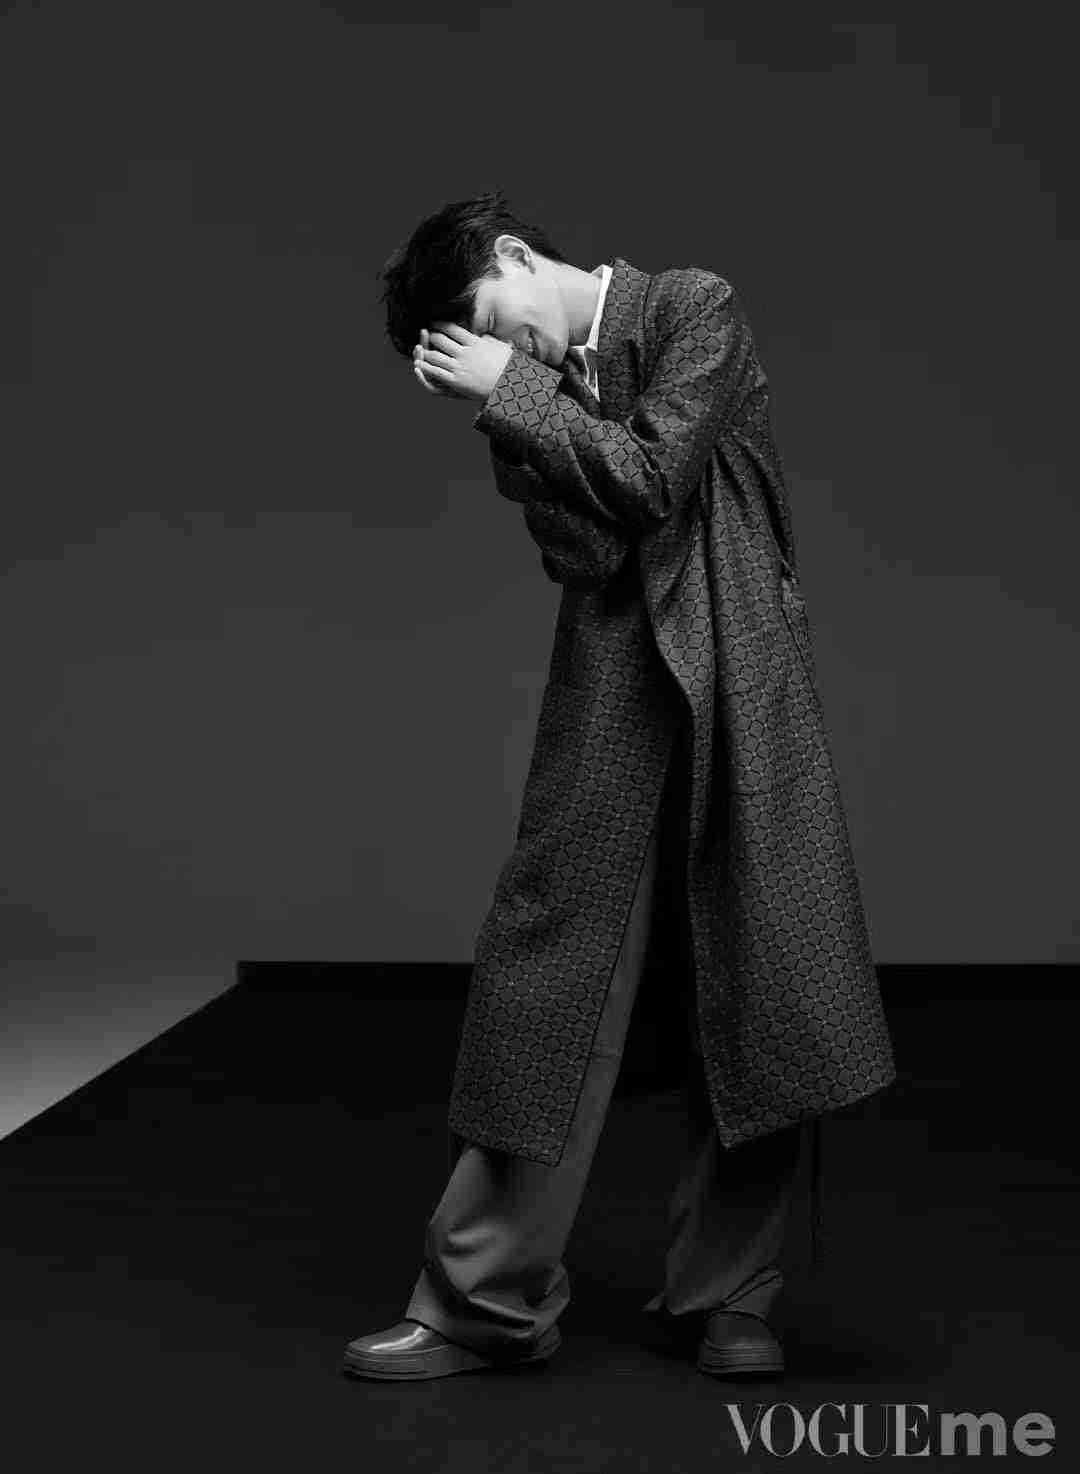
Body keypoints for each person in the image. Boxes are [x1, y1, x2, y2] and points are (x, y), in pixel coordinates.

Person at [344, 190, 896, 1382]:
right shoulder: (522, 395)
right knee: (547, 992)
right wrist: (514, 403)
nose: (502, 348)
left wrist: (511, 390)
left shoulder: (693, 308)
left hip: (742, 686)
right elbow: (591, 548)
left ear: (514, 254)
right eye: (480, 350)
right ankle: (476, 1302)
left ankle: (732, 1296)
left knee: (759, 989)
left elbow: (653, 478)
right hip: (611, 696)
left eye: (491, 319)